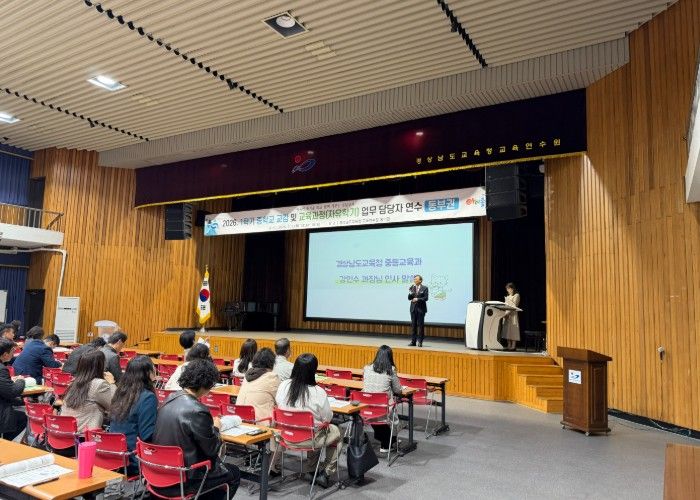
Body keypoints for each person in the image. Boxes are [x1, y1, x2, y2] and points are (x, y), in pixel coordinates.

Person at [152, 359, 240, 499]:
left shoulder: (168, 399)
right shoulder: (198, 411)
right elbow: (212, 449)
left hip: (158, 472)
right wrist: (216, 428)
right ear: (206, 384)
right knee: (234, 473)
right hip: (186, 478)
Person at [274, 353, 341, 488]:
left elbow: (278, 404)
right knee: (335, 432)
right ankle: (326, 472)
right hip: (309, 439)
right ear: (314, 371)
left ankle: (311, 469)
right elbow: (327, 418)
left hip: (284, 437)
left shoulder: (283, 385)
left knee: (315, 429)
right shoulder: (318, 392)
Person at [109, 355, 157, 475]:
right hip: (134, 459)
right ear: (148, 373)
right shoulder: (148, 397)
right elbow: (147, 435)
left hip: (116, 455)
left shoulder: (120, 392)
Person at [61, 349, 116, 431]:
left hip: (66, 431)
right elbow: (114, 405)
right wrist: (112, 383)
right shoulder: (99, 384)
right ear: (101, 365)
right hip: (84, 435)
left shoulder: (73, 382)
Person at [363, 345, 402, 452]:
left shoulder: (367, 368)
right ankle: (387, 443)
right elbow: (398, 390)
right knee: (392, 405)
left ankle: (388, 439)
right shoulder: (391, 370)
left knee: (381, 407)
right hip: (383, 408)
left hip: (367, 407)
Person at [236, 348, 279, 423]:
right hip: (260, 422)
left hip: (240, 419)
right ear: (271, 363)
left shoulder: (248, 375)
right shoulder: (272, 377)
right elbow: (279, 400)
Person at [0, 339, 27, 441]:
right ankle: (6, 442)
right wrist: (21, 380)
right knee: (23, 416)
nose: (14, 353)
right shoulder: (1, 369)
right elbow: (12, 391)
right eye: (12, 351)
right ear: (5, 354)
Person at [408, 275, 429, 347]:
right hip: (413, 309)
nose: (415, 280)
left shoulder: (425, 288)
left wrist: (417, 299)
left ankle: (420, 342)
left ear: (420, 280)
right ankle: (413, 342)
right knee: (413, 326)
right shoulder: (412, 288)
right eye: (414, 279)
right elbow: (409, 298)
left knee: (420, 326)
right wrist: (410, 292)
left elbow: (426, 298)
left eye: (416, 279)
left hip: (421, 309)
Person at [502, 283, 521, 351]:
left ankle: (513, 346)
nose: (508, 290)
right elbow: (506, 306)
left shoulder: (516, 295)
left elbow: (514, 306)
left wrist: (507, 313)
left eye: (509, 289)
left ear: (512, 288)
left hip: (513, 315)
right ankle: (509, 345)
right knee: (507, 331)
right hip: (507, 315)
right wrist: (504, 313)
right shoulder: (507, 296)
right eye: (507, 289)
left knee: (513, 330)